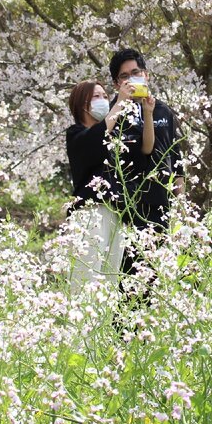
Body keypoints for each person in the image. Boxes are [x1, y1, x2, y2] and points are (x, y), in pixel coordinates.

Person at [106, 48, 185, 283]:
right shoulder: (114, 113)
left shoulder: (161, 109)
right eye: (125, 76)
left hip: (160, 201)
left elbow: (175, 156)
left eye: (136, 72)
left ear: (146, 75)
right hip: (128, 202)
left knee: (153, 273)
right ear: (116, 83)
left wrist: (181, 202)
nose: (132, 79)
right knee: (127, 275)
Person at [64, 80, 134, 294]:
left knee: (110, 287)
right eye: (96, 96)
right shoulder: (75, 134)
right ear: (81, 104)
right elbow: (95, 139)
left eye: (105, 96)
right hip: (89, 213)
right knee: (85, 283)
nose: (103, 100)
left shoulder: (112, 137)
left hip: (114, 213)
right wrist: (120, 102)